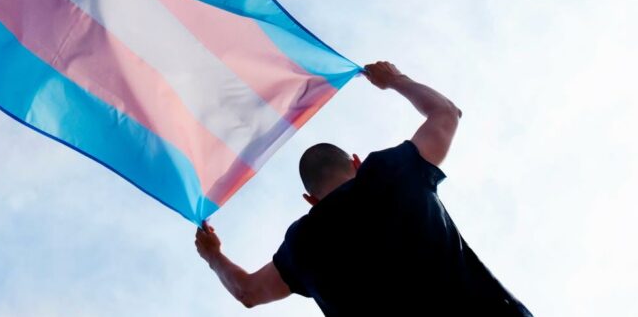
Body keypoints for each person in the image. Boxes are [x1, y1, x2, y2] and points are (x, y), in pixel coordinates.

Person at [194, 61, 531, 315]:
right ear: (356, 162)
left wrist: (213, 256)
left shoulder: (302, 245)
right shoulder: (391, 172)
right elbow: (446, 113)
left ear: (310, 200)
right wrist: (395, 80)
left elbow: (247, 292)